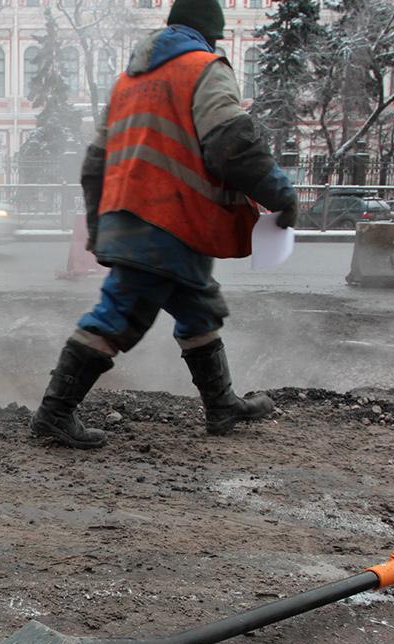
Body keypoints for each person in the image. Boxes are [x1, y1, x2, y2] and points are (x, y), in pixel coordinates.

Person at [30, 0, 298, 449]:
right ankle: (54, 414)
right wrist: (280, 194)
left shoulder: (128, 81)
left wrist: (100, 227)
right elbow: (231, 144)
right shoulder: (203, 68)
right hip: (166, 219)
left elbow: (95, 162)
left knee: (198, 308)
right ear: (210, 33)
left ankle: (221, 406)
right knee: (120, 314)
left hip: (139, 220)